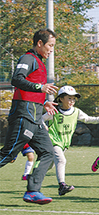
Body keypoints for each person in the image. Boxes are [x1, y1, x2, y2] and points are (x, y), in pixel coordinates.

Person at [0, 29, 58, 204]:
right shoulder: (28, 58)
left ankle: (32, 191)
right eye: (50, 45)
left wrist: (43, 102)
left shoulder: (39, 62)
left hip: (35, 117)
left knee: (48, 153)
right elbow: (17, 79)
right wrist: (40, 89)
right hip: (23, 115)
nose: (51, 50)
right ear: (40, 43)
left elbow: (32, 88)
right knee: (8, 155)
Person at [42, 85, 99, 196]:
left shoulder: (76, 111)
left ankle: (34, 177)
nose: (72, 101)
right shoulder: (54, 111)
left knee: (50, 165)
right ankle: (62, 186)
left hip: (64, 143)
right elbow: (41, 119)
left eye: (74, 98)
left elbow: (87, 119)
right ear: (61, 99)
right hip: (53, 141)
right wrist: (43, 126)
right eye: (69, 98)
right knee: (62, 161)